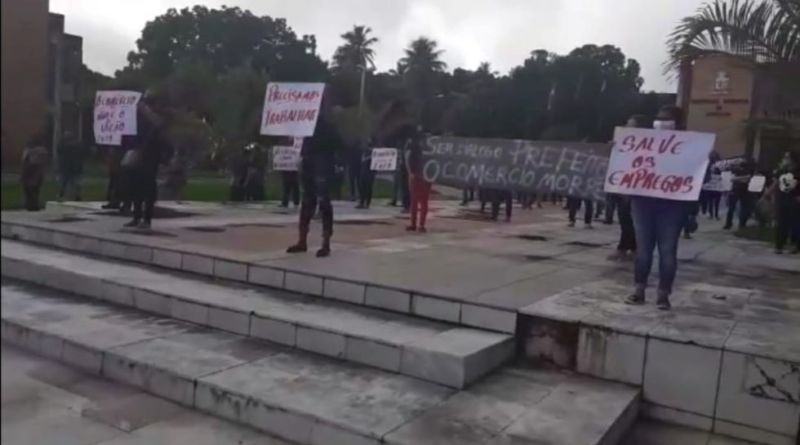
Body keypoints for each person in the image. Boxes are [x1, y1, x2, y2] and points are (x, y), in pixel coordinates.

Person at [625, 105, 700, 310]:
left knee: (667, 251)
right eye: (658, 118)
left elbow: (696, 179)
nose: (660, 122)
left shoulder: (691, 147)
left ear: (678, 123)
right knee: (643, 251)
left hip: (672, 206)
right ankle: (638, 290)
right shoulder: (645, 143)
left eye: (665, 119)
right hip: (643, 202)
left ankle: (663, 295)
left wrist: (692, 212)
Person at [287, 108, 343, 258]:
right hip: (309, 164)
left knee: (323, 202)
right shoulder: (306, 126)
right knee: (307, 202)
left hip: (322, 164)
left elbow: (337, 145)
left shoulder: (327, 126)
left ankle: (325, 243)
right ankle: (303, 240)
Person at [123, 92, 170, 229]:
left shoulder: (157, 118)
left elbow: (160, 127)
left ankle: (146, 219)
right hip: (137, 155)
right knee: (135, 188)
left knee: (148, 189)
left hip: (150, 157)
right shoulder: (139, 118)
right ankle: (136, 217)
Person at [607, 114, 645, 261]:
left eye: (632, 125)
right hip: (622, 186)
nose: (628, 128)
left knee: (632, 220)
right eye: (627, 124)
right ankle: (626, 248)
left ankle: (630, 248)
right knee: (624, 219)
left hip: (637, 188)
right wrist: (612, 149)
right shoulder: (621, 143)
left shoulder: (646, 146)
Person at [768, 153, 800, 254]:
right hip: (782, 199)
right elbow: (776, 182)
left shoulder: (798, 172)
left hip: (795, 200)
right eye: (785, 157)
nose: (785, 159)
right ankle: (779, 246)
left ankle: (796, 245)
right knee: (781, 223)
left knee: (795, 224)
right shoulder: (782, 170)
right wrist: (769, 194)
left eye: (787, 157)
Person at [407, 126, 432, 232]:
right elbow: (410, 159)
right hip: (418, 175)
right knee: (416, 201)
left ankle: (419, 224)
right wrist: (411, 172)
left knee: (421, 201)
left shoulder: (427, 148)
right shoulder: (415, 146)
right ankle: (415, 224)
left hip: (424, 176)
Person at [724, 156, 756, 230]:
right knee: (731, 208)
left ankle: (741, 224)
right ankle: (729, 223)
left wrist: (737, 179)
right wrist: (742, 178)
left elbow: (748, 178)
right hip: (736, 190)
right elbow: (732, 178)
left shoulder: (748, 169)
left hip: (744, 190)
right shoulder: (734, 169)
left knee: (744, 208)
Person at [20, 135, 49, 211]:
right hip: (39, 174)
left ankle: (30, 206)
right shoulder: (43, 151)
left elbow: (26, 164)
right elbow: (44, 163)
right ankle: (34, 205)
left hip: (30, 173)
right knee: (36, 190)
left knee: (29, 190)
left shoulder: (29, 152)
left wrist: (23, 176)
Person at [57, 131, 86, 201]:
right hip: (76, 168)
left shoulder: (63, 146)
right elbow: (83, 154)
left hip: (66, 168)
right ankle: (77, 196)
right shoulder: (78, 145)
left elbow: (59, 151)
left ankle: (61, 195)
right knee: (76, 184)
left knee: (64, 182)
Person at [357, 144, 375, 209]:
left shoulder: (373, 152)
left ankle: (367, 203)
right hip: (363, 171)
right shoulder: (364, 152)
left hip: (370, 172)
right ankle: (361, 202)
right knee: (362, 187)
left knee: (368, 188)